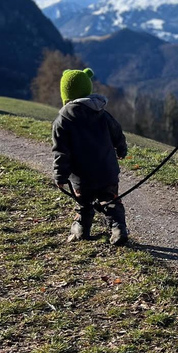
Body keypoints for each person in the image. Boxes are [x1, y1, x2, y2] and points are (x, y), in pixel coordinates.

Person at [51, 68, 129, 245]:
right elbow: (117, 133)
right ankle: (118, 229)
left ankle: (81, 229)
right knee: (110, 200)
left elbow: (61, 152)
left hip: (81, 176)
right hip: (107, 170)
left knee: (84, 202)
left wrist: (60, 175)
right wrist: (121, 149)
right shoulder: (102, 113)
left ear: (66, 94)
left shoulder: (62, 121)